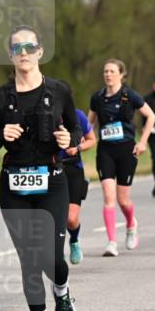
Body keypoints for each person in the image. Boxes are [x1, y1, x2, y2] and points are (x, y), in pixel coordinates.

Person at [0, 26, 82, 311]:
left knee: (51, 258)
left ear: (40, 52)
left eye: (30, 46)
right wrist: (2, 135)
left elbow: (75, 131)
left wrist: (70, 142)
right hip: (13, 182)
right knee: (28, 259)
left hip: (52, 180)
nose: (23, 52)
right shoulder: (0, 97)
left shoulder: (59, 90)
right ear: (10, 55)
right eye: (17, 47)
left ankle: (62, 292)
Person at [88, 59, 155, 256]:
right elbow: (89, 123)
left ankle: (130, 224)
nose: (108, 74)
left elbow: (151, 116)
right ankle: (111, 242)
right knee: (108, 197)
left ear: (121, 74)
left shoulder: (129, 95)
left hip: (127, 149)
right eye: (105, 71)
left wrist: (142, 142)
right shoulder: (97, 98)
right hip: (105, 151)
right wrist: (83, 140)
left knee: (123, 200)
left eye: (111, 71)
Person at [60, 108, 96, 265]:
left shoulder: (77, 115)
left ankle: (74, 241)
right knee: (54, 217)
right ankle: (56, 251)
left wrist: (78, 148)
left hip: (73, 168)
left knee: (71, 219)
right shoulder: (42, 114)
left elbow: (91, 140)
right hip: (50, 169)